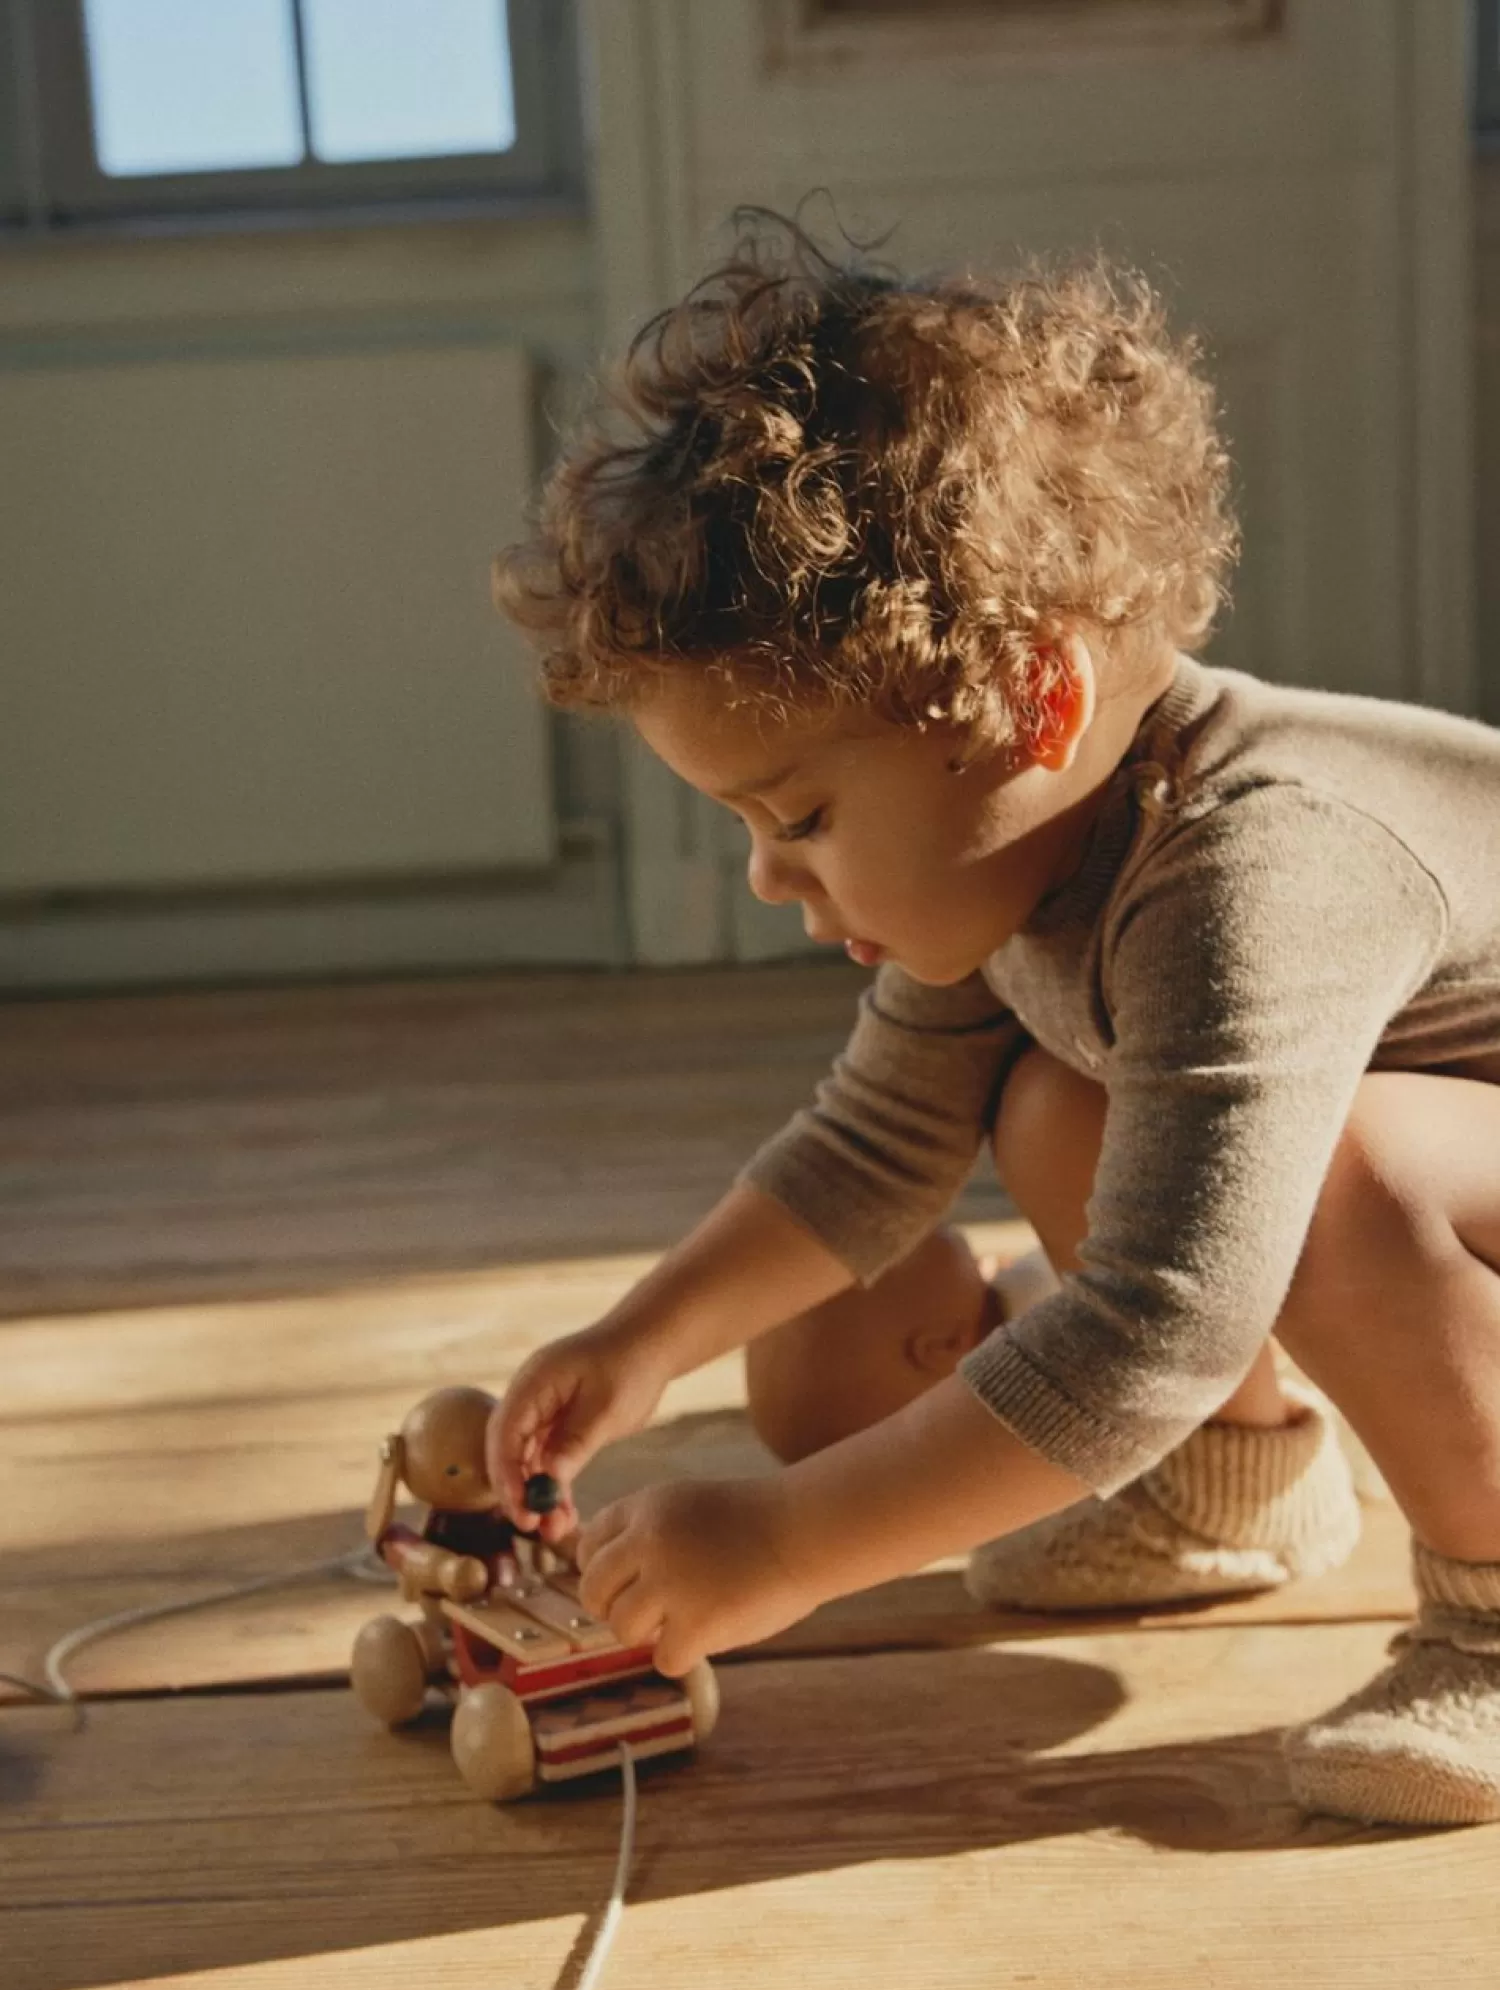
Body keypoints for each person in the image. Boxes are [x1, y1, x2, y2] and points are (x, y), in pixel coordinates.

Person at [481, 211, 1500, 1828]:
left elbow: (1163, 1323)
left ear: (1032, 701)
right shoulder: (1012, 857)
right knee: (1048, 1111)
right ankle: (1235, 1490)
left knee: (1342, 1170)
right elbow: (872, 1147)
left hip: (1436, 1190)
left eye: (800, 813)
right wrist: (642, 1343)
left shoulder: (1257, 869)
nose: (768, 875)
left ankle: (1494, 1616)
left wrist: (790, 1541)